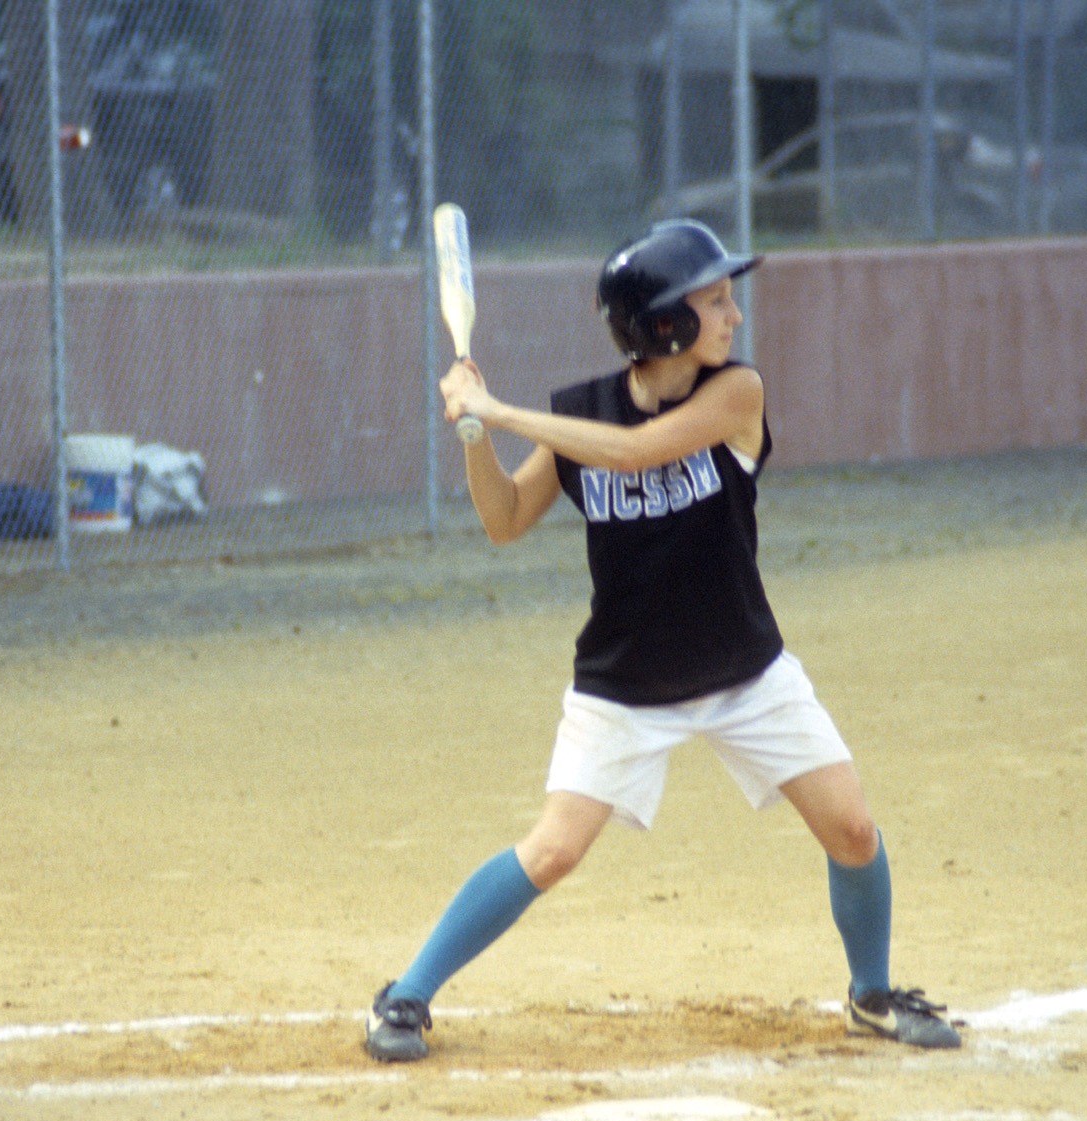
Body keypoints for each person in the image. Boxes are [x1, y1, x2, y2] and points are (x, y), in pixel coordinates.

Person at [364, 219, 960, 1063]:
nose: (734, 316)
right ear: (665, 325)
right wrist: (476, 436)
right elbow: (504, 518)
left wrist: (502, 409)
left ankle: (872, 994)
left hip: (744, 669)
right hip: (626, 683)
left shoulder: (737, 393)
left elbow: (638, 454)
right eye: (714, 302)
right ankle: (405, 996)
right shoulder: (579, 416)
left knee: (853, 831)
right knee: (553, 851)